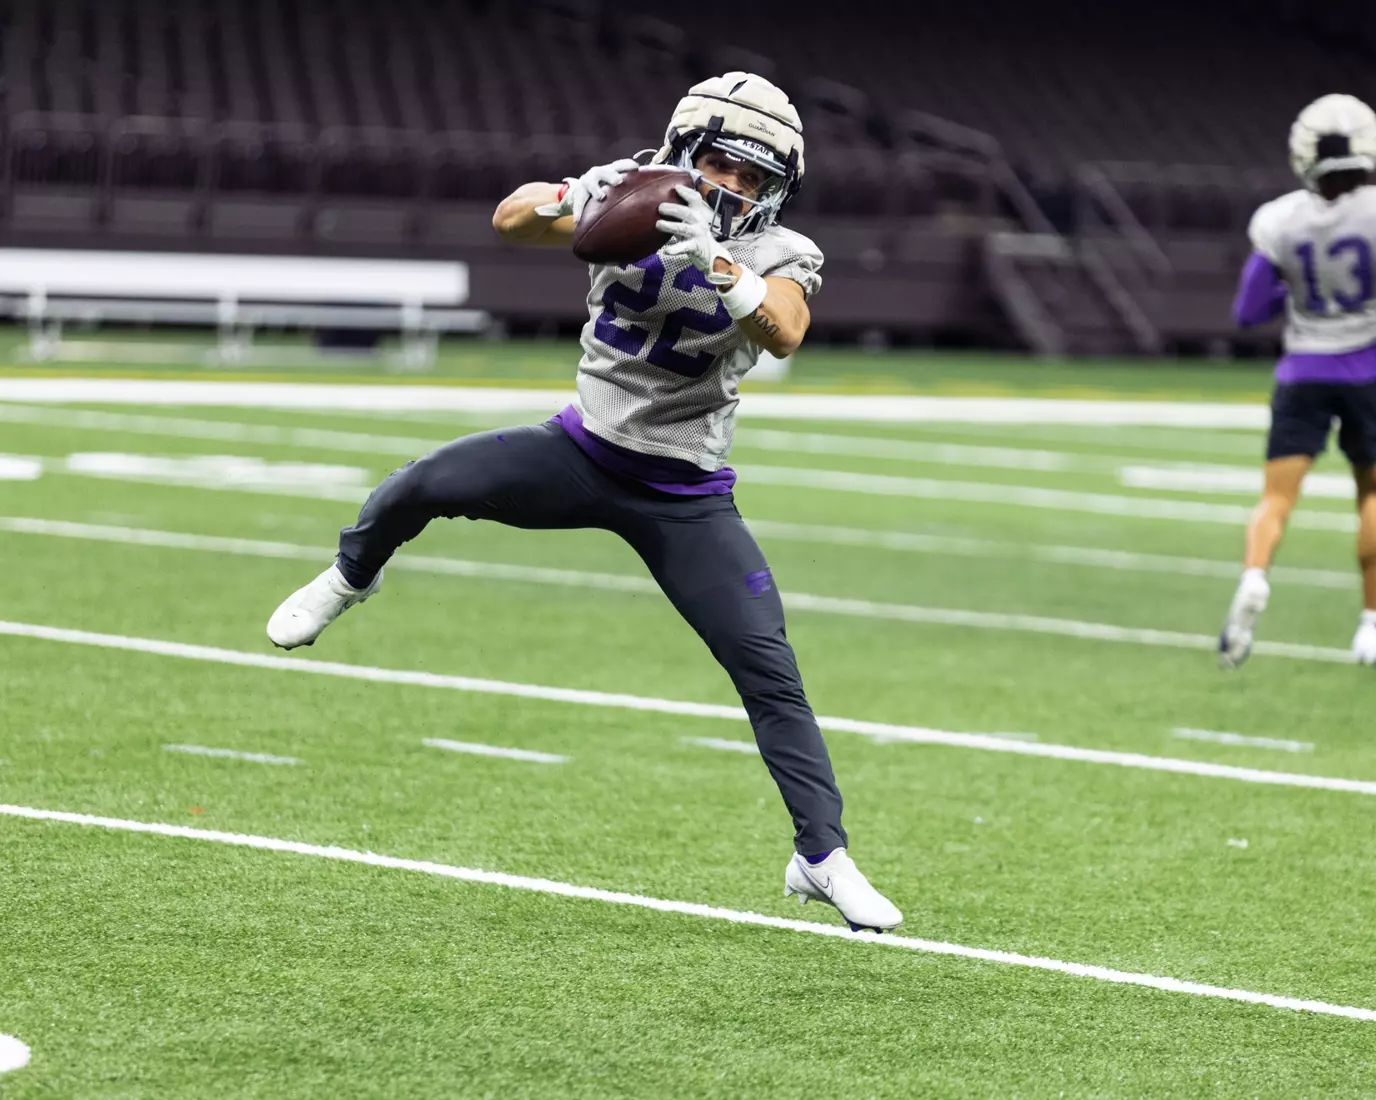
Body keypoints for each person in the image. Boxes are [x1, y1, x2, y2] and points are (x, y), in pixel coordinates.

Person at [265, 73, 902, 931]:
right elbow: (511, 220)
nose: (735, 186)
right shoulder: (635, 193)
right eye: (722, 164)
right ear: (683, 150)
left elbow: (784, 329)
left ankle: (821, 856)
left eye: (756, 177)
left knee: (770, 672)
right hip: (581, 450)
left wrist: (715, 260)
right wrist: (571, 196)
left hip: (683, 491)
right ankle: (350, 577)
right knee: (421, 484)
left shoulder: (780, 251)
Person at [1221, 94, 1376, 669]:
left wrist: (1299, 290)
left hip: (1303, 369)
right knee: (1372, 494)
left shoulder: (1280, 218)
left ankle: (1254, 576)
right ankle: (1371, 624)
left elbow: (1248, 310)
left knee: (1276, 499)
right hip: (1369, 368)